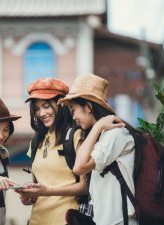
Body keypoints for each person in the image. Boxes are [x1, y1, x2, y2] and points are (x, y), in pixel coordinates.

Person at [58, 73, 138, 225]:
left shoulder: (116, 134)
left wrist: (98, 126)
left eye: (73, 109)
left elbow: (79, 167)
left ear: (88, 107)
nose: (73, 116)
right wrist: (97, 129)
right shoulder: (100, 137)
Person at [17, 77, 87, 225]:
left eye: (46, 106)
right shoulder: (37, 140)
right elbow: (39, 184)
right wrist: (30, 195)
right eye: (36, 108)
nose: (41, 113)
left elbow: (85, 186)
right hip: (37, 220)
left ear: (61, 104)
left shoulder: (75, 135)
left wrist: (46, 191)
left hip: (66, 219)